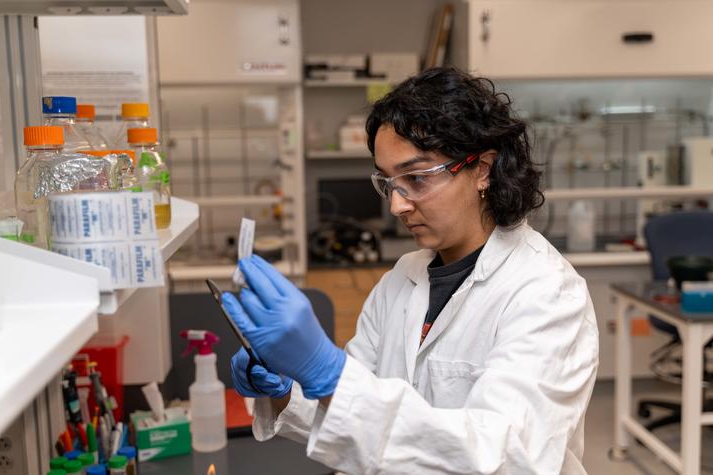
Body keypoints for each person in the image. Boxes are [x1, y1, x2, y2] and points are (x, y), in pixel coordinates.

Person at [223, 67, 599, 474]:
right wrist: (285, 388)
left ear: (482, 170)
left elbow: (507, 458)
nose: (396, 205)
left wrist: (327, 373)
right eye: (388, 182)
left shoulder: (546, 292)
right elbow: (353, 412)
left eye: (417, 178)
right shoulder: (402, 278)